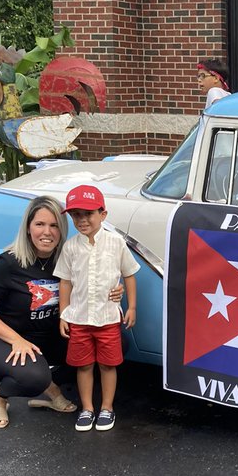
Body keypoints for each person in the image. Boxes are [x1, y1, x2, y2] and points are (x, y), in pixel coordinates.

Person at [0, 195, 121, 430]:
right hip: (2, 341)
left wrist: (115, 290)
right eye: (39, 224)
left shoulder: (67, 258)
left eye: (54, 226)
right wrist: (16, 340)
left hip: (48, 338)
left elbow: (91, 284)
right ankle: (1, 396)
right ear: (28, 228)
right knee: (33, 378)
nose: (46, 232)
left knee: (107, 346)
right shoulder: (9, 263)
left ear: (62, 231)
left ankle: (49, 384)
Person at [55, 185, 139, 433]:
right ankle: (87, 409)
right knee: (83, 365)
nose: (82, 220)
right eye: (76, 215)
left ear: (103, 214)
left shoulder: (116, 243)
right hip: (79, 319)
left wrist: (131, 306)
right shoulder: (70, 247)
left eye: (88, 213)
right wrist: (63, 313)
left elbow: (129, 274)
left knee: (108, 365)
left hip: (108, 318)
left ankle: (107, 408)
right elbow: (65, 282)